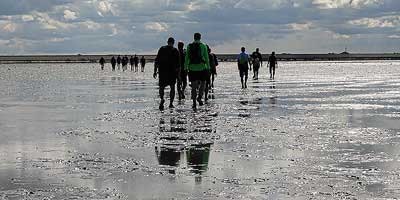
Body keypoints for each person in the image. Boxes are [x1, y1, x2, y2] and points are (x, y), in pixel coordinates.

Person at [185, 33, 210, 110]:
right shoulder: (203, 46)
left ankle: (194, 103)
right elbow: (206, 57)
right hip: (202, 68)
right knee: (203, 83)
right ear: (200, 37)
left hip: (192, 68)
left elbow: (187, 58)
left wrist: (185, 67)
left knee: (193, 86)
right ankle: (199, 97)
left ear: (194, 37)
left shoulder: (189, 46)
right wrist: (208, 68)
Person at [154, 37, 180, 110]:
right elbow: (178, 65)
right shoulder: (175, 50)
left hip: (162, 72)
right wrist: (178, 76)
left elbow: (157, 61)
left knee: (161, 87)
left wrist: (155, 71)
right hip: (172, 72)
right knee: (172, 87)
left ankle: (162, 98)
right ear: (173, 42)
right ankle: (171, 103)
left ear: (167, 42)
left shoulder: (162, 49)